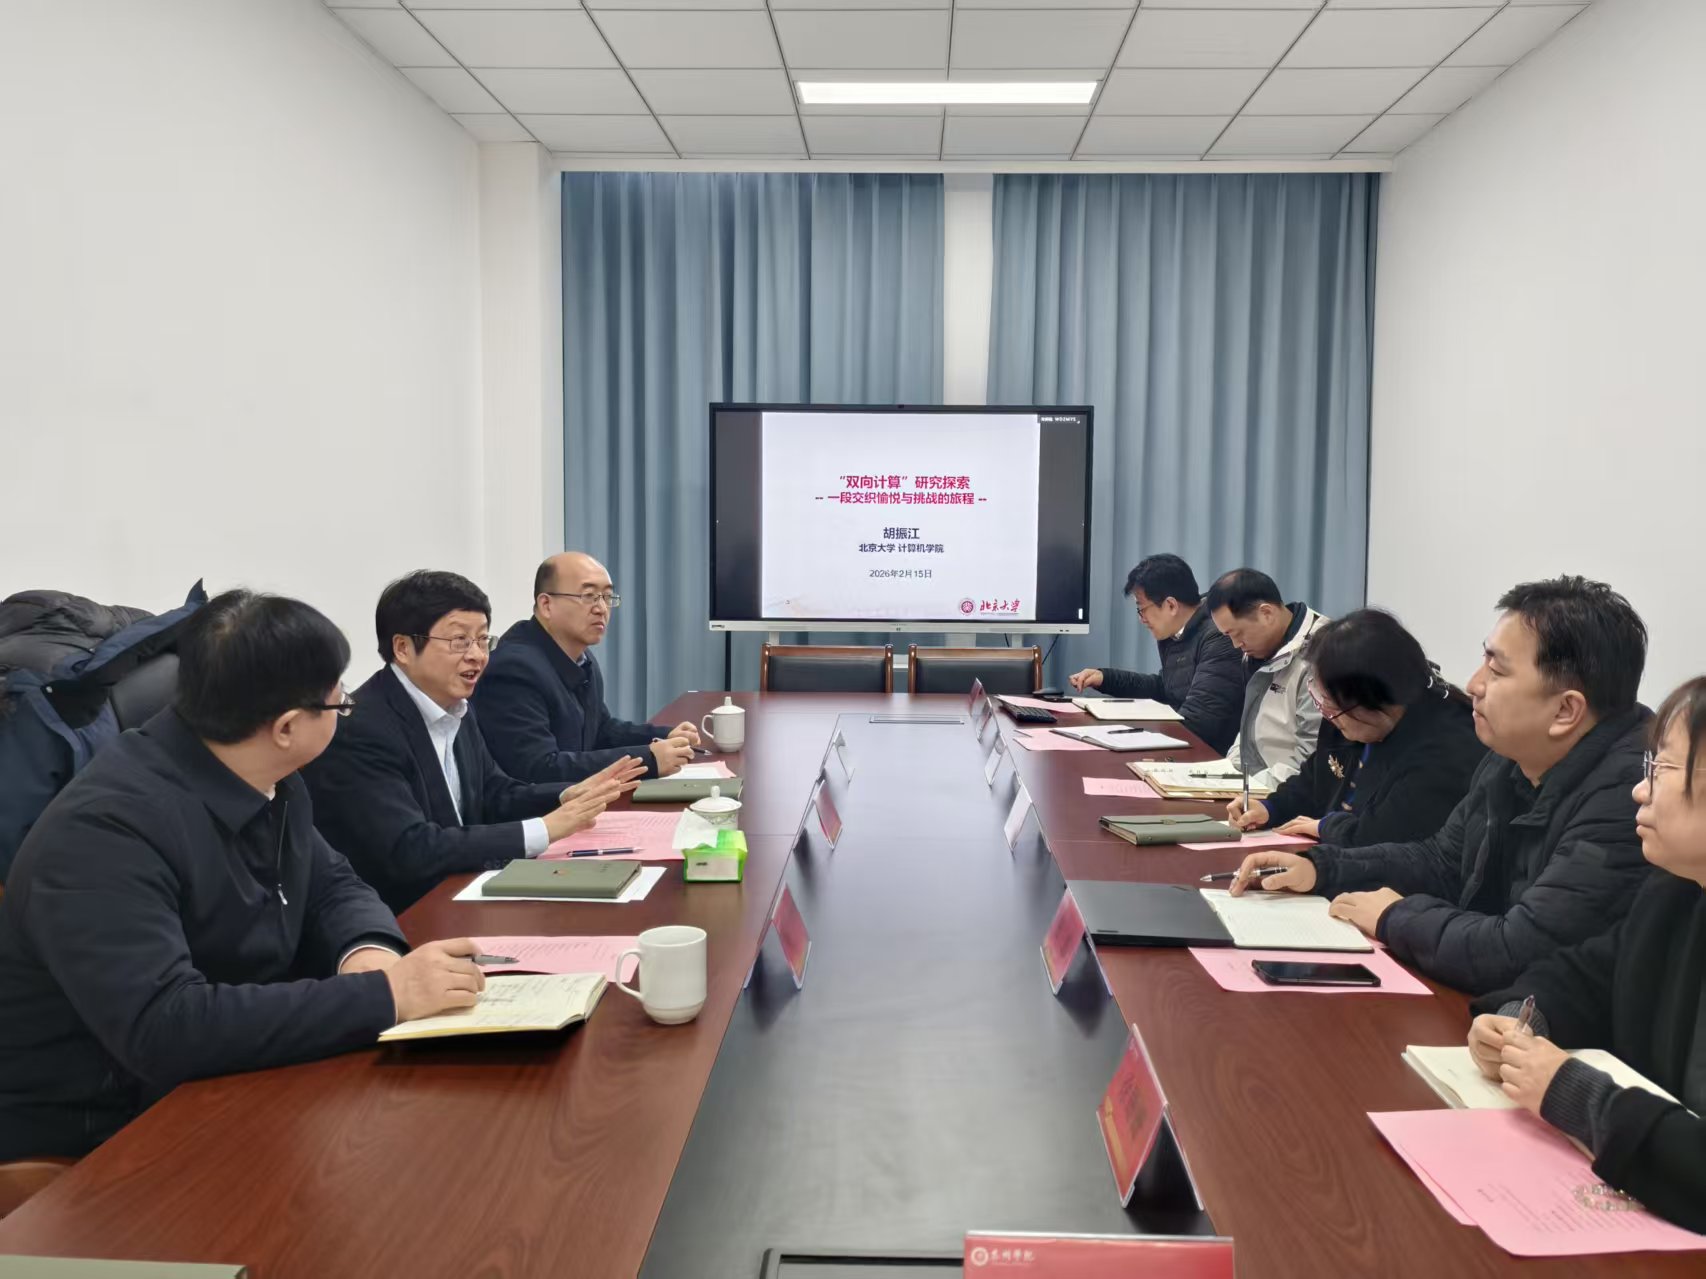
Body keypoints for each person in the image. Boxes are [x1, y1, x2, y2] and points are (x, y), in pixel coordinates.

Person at [0, 590, 489, 1161]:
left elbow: (332, 884)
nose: (347, 705)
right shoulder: (104, 833)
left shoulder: (263, 771)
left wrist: (367, 953)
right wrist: (384, 997)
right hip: (103, 1138)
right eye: (339, 700)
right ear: (286, 727)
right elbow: (166, 1029)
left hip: (228, 1078)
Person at [1231, 576, 1653, 995]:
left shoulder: (1628, 798)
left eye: (1497, 671)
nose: (1473, 685)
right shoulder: (1509, 756)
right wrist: (1321, 868)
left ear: (1565, 711)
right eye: (1484, 660)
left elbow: (1518, 951)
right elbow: (1440, 859)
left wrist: (1394, 917)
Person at [1465, 675, 1706, 1234]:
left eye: (1663, 769)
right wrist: (1520, 1020)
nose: (1640, 791)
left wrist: (1573, 1095)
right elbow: (1588, 974)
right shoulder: (1675, 891)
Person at [305, 571, 638, 913]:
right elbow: (411, 848)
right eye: (459, 641)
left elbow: (493, 792)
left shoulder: (457, 707)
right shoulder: (364, 729)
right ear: (403, 648)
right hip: (405, 914)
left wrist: (566, 795)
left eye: (482, 640)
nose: (477, 655)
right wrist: (544, 829)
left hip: (462, 892)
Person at [1227, 609, 1484, 847]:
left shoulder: (1444, 749)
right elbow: (1314, 780)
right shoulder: (1348, 713)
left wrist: (1326, 828)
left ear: (1372, 698)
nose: (1327, 714)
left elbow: (1389, 838)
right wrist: (1271, 808)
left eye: (1332, 705)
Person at [473, 552, 700, 784]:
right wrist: (648, 759)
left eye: (607, 597)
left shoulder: (581, 656)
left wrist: (664, 736)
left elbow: (600, 730)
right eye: (589, 596)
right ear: (546, 605)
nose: (601, 608)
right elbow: (539, 768)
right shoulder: (513, 670)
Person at [1067, 553, 1243, 753]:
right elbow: (1165, 688)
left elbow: (1199, 722)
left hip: (1210, 757)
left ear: (1171, 605)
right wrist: (1106, 678)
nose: (1141, 618)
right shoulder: (1177, 633)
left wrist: (1131, 739)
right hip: (1184, 748)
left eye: (1142, 609)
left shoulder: (1218, 638)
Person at [1203, 568, 1329, 789]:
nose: (1236, 644)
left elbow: (1312, 760)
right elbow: (1251, 727)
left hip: (1286, 795)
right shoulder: (1261, 649)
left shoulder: (1320, 657)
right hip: (1257, 787)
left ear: (1266, 613)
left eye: (1237, 633)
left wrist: (1245, 788)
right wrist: (1227, 772)